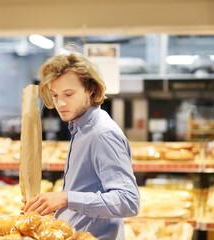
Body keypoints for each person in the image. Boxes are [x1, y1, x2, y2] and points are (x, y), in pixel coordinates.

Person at [22, 52, 140, 240]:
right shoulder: (80, 128)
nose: (60, 103)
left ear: (90, 88)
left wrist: (65, 198)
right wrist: (50, 204)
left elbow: (128, 201)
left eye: (68, 94)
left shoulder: (102, 133)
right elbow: (86, 190)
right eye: (55, 95)